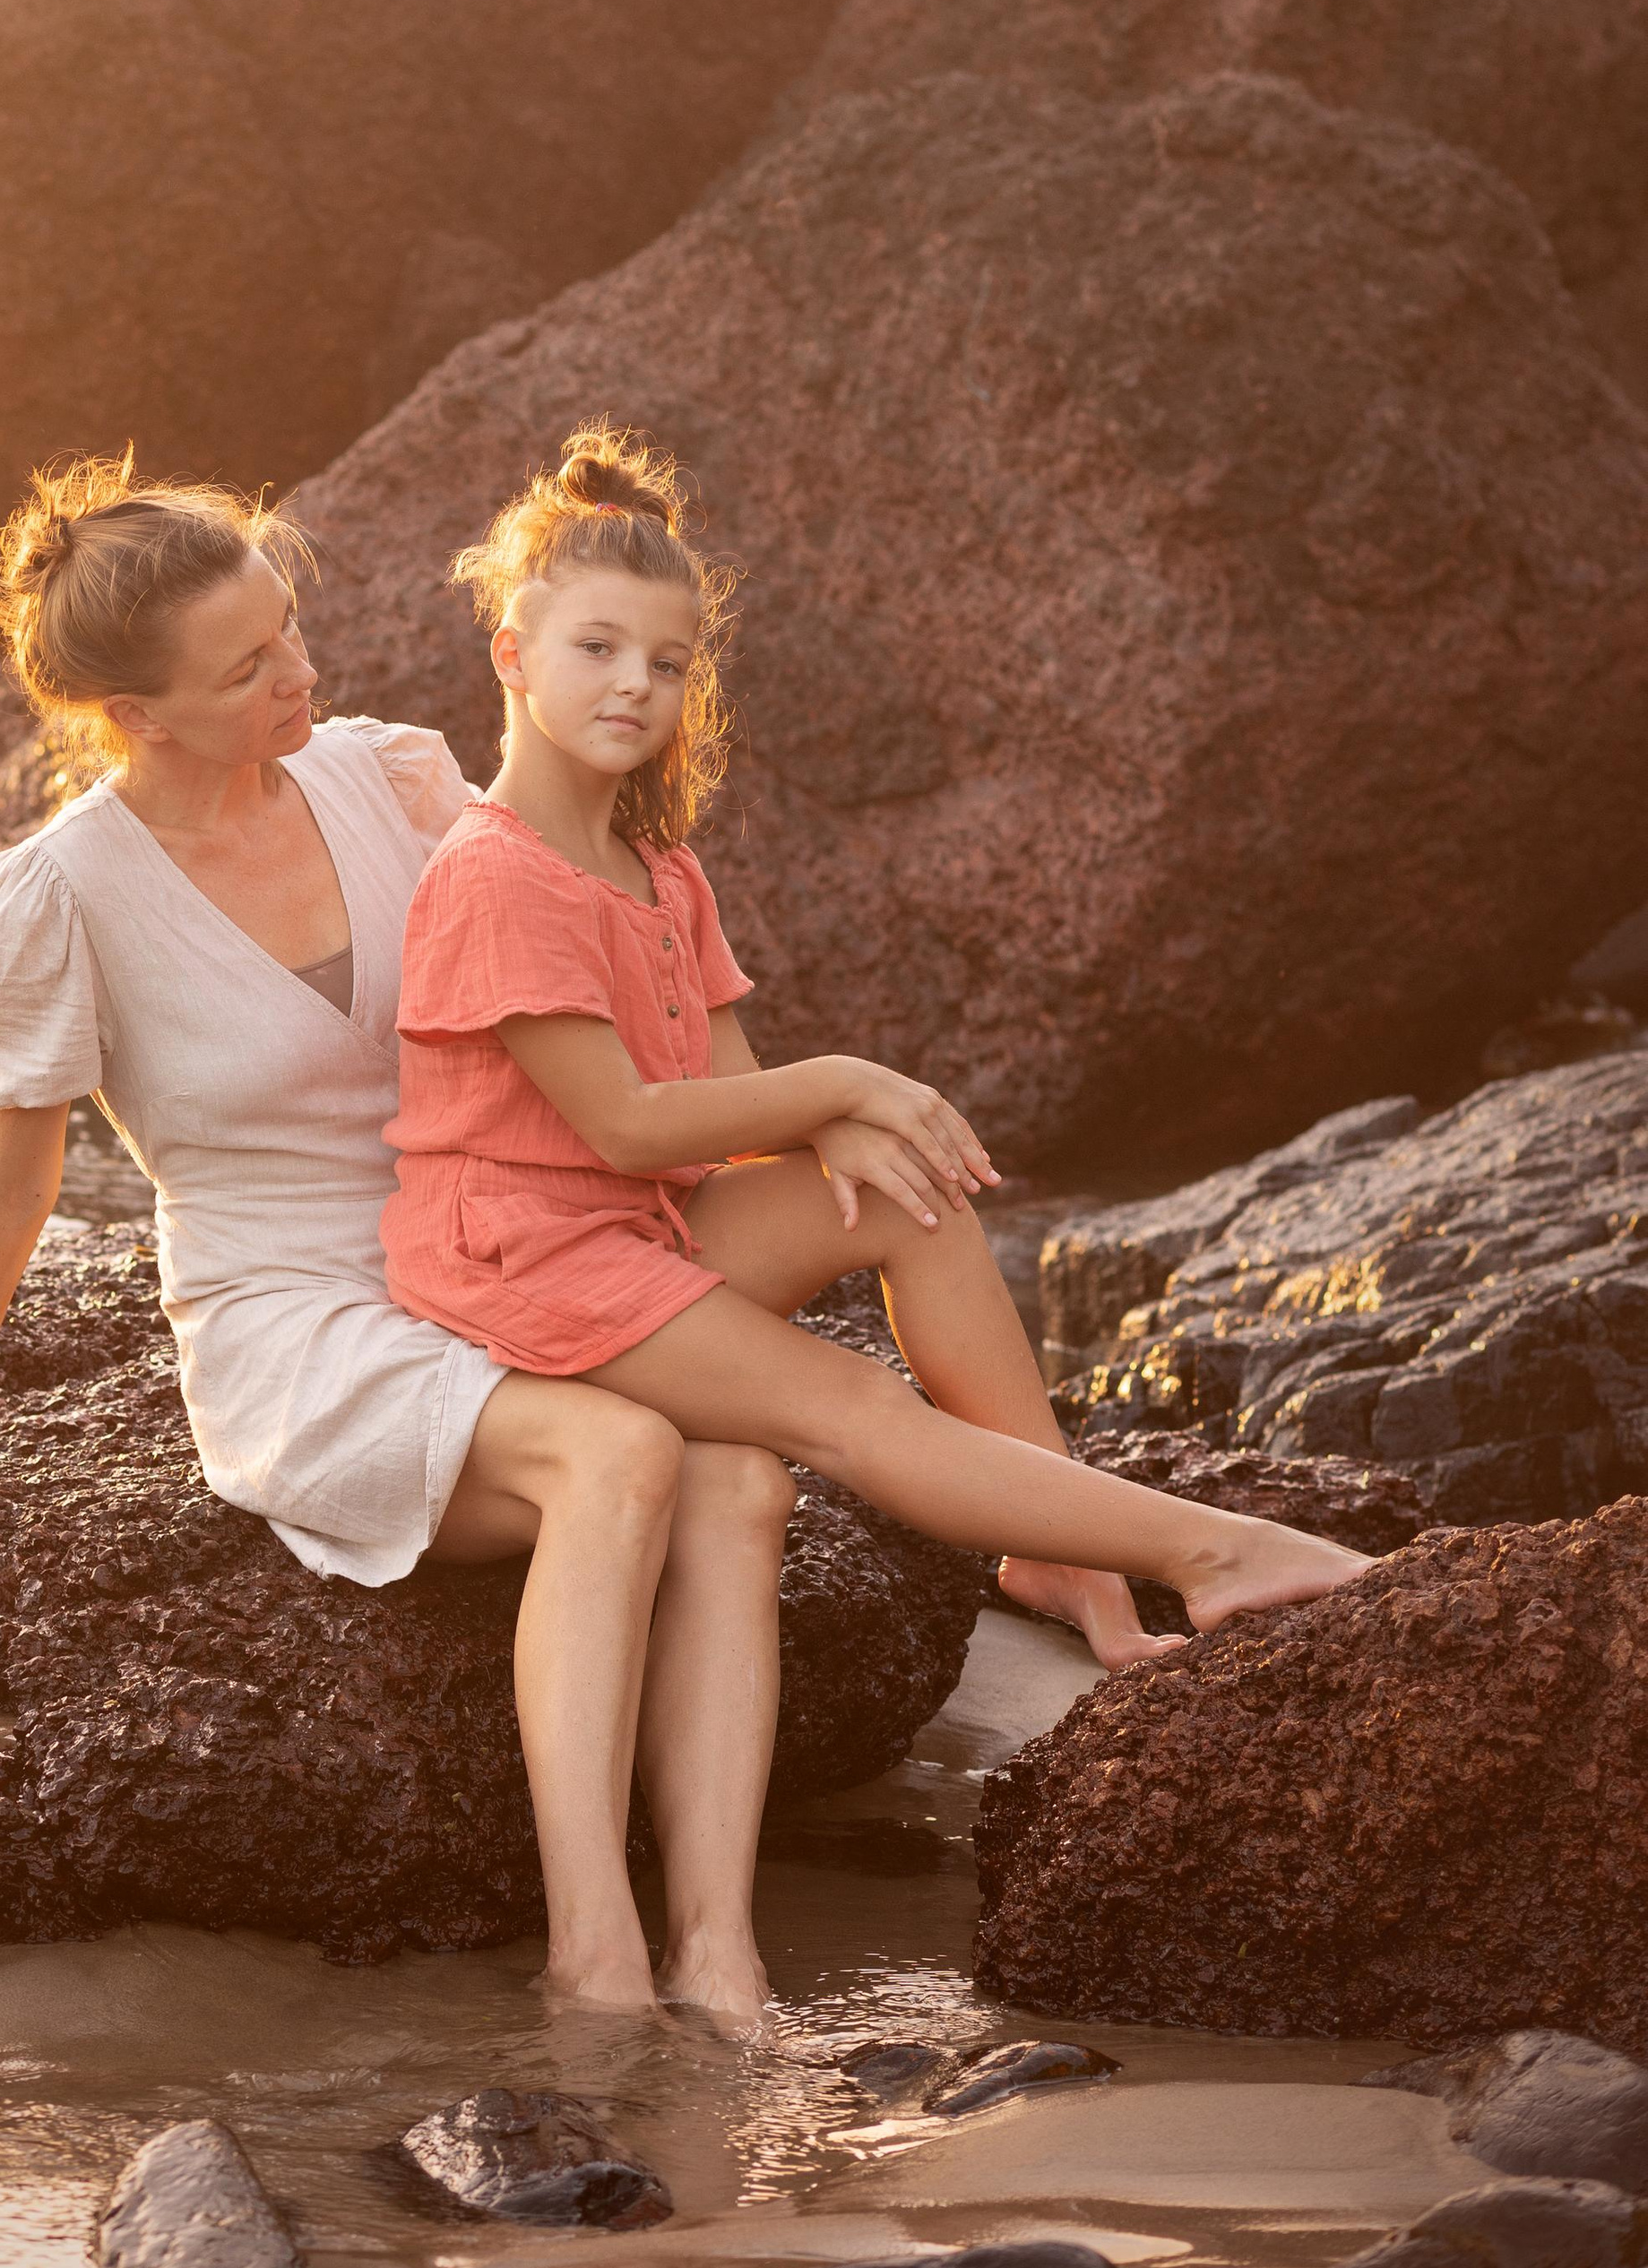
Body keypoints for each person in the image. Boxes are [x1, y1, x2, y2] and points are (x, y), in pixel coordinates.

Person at [0, 453, 795, 2027]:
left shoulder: (394, 778)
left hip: (499, 1252)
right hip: (297, 1319)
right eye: (248, 668)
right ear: (136, 714)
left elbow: (576, 993)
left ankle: (721, 1945)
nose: (301, 672)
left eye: (289, 632)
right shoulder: (61, 894)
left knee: (744, 1482)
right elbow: (11, 1183)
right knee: (622, 1454)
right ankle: (599, 1956)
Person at [380, 423, 1375, 1676]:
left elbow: (731, 1102)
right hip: (518, 1268)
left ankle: (1060, 1550)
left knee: (912, 1194)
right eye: (597, 647)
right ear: (512, 656)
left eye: (668, 661)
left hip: (637, 1235)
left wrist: (841, 1128)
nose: (636, 683)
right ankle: (1215, 1552)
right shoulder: (493, 873)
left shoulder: (658, 865)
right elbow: (627, 1123)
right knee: (852, 1404)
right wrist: (850, 1083)